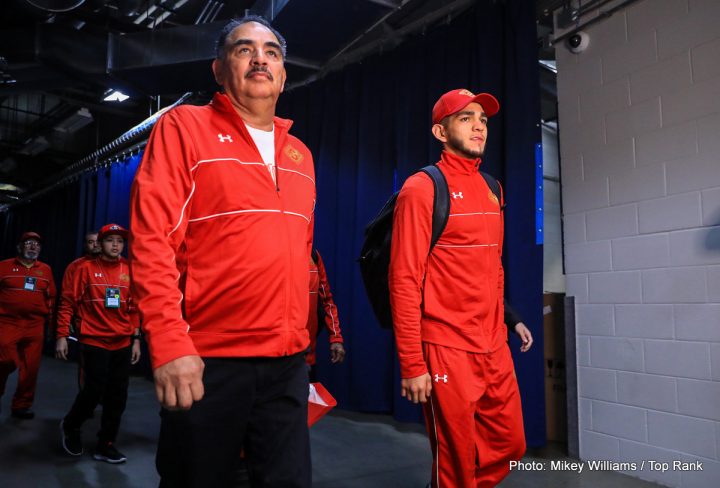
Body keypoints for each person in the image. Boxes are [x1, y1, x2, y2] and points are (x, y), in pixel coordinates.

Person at [129, 15, 315, 488]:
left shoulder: (301, 156)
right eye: (243, 49)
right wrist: (168, 343)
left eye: (272, 51)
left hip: (287, 363)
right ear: (218, 68)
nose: (260, 58)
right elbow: (152, 241)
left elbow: (300, 257)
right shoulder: (184, 128)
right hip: (209, 360)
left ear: (283, 74)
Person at [389, 89, 527, 487]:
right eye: (466, 118)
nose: (479, 125)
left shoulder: (493, 188)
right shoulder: (422, 187)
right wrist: (413, 365)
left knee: (510, 444)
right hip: (446, 346)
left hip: (492, 344)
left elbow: (491, 269)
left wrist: (507, 319)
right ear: (441, 130)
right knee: (454, 459)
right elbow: (403, 281)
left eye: (482, 119)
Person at [56, 223, 141, 463]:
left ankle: (106, 444)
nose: (116, 245)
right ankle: (71, 426)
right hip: (94, 340)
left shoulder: (130, 270)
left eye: (120, 241)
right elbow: (67, 303)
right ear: (100, 244)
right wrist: (62, 335)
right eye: (110, 240)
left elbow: (134, 308)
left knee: (118, 396)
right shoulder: (84, 269)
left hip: (122, 342)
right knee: (93, 392)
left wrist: (136, 339)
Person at [0, 231, 56, 419]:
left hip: (35, 324)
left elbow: (51, 298)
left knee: (31, 367)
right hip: (8, 322)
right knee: (6, 360)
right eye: (28, 243)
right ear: (20, 247)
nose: (33, 247)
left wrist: (51, 325)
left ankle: (21, 405)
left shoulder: (45, 269)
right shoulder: (4, 266)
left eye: (36, 244)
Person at [307, 249, 345, 376]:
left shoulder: (313, 256)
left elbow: (326, 300)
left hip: (307, 359)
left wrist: (336, 338)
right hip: (276, 359)